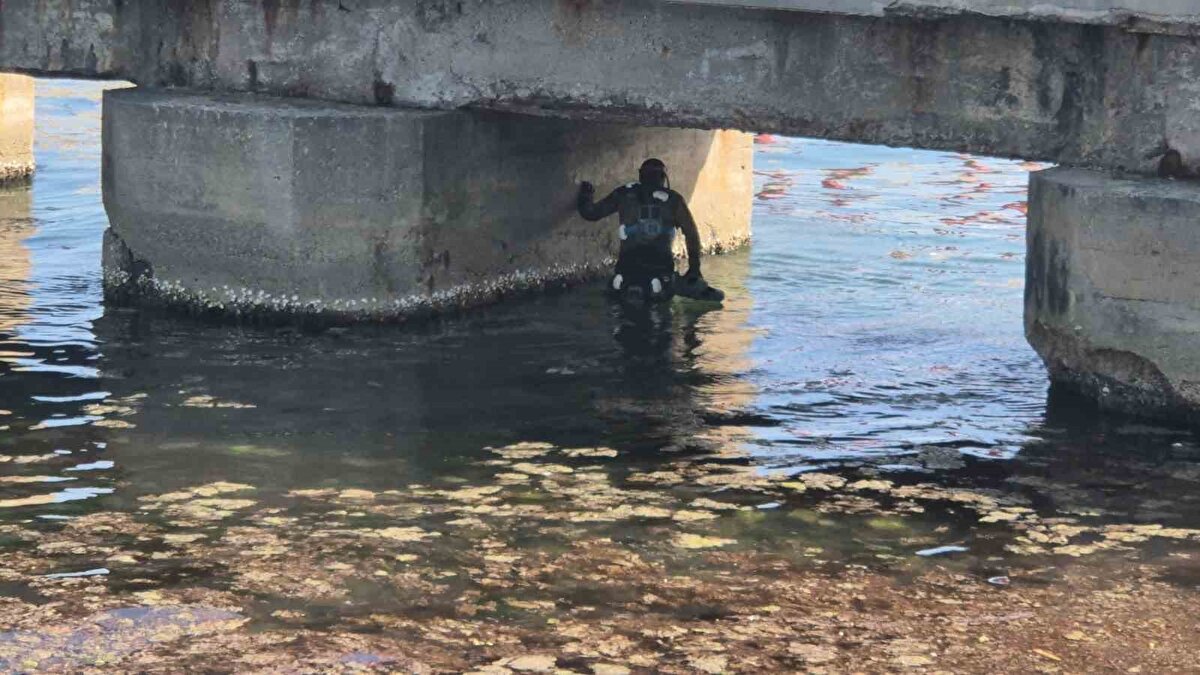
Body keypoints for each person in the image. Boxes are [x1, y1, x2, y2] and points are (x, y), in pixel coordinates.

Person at [577, 159, 722, 303]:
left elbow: (590, 213)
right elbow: (691, 235)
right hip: (661, 273)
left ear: (640, 176)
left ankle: (621, 287)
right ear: (663, 178)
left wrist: (586, 195)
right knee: (716, 296)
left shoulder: (624, 194)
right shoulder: (674, 200)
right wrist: (694, 269)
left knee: (617, 294)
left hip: (626, 273)